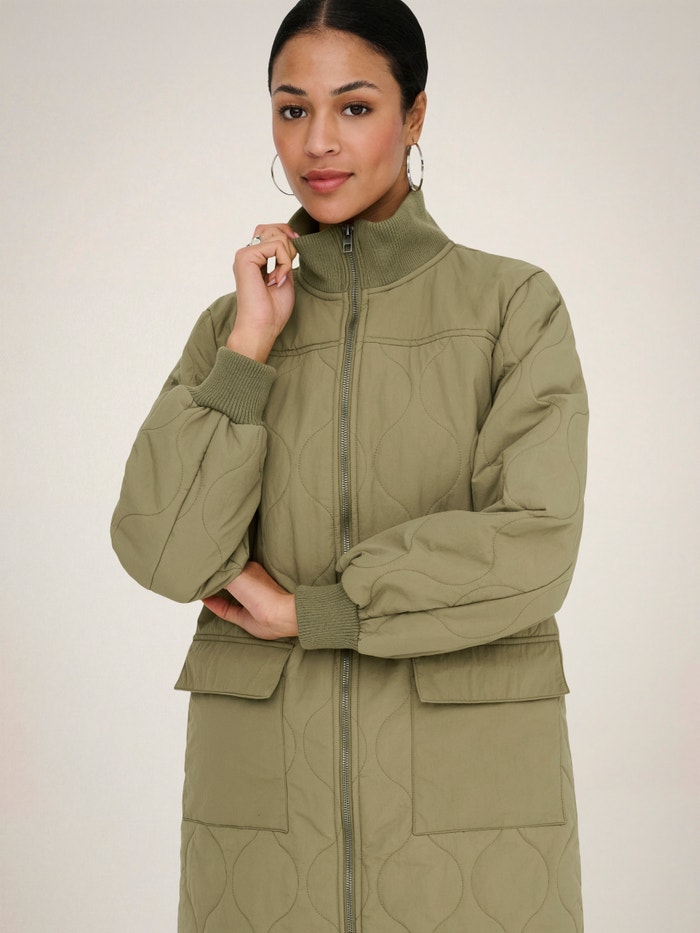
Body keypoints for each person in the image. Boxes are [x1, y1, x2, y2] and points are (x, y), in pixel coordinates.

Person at [111, 0, 588, 929]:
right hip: (264, 821)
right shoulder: (232, 328)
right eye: (292, 109)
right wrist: (250, 347)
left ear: (414, 116)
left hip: (470, 809)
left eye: (356, 107)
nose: (318, 141)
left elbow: (536, 543)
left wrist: (317, 611)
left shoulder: (513, 307)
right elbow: (164, 551)